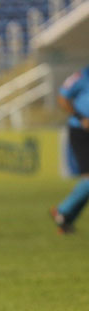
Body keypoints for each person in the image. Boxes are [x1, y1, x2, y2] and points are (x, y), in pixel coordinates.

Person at [51, 65, 89, 234]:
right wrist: (81, 118)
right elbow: (62, 98)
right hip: (81, 132)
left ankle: (65, 217)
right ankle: (63, 210)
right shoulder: (81, 76)